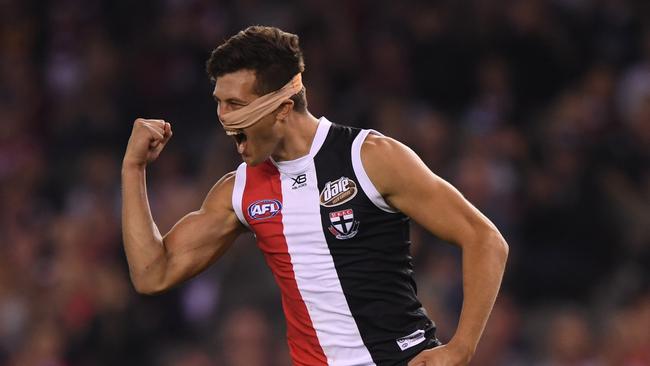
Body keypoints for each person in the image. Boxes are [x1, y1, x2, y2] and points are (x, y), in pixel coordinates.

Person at [121, 25, 508, 366]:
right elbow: (153, 274)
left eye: (235, 104)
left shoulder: (370, 158)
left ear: (283, 108)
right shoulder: (238, 190)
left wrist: (461, 347)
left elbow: (485, 239)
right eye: (219, 103)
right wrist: (133, 170)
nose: (223, 118)